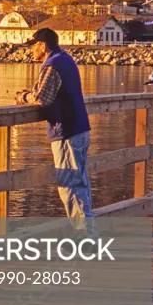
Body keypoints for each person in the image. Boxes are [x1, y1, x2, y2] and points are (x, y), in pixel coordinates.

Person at [15, 28, 94, 230]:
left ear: (43, 45)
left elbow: (43, 99)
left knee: (70, 188)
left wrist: (23, 98)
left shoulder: (53, 64)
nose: (31, 50)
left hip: (67, 131)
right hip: (79, 128)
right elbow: (52, 92)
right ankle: (88, 234)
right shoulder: (65, 59)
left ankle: (86, 239)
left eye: (33, 45)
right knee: (80, 184)